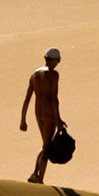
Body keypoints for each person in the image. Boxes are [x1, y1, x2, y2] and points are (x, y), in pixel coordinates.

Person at [20, 47, 62, 184]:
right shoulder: (53, 75)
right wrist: (58, 120)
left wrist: (23, 119)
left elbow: (27, 99)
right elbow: (54, 99)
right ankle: (40, 179)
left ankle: (35, 173)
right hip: (49, 112)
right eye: (58, 60)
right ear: (54, 60)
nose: (57, 63)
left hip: (38, 111)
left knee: (45, 144)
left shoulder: (34, 75)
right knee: (47, 147)